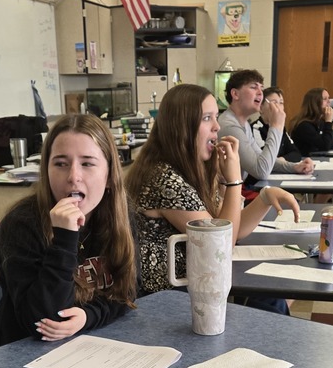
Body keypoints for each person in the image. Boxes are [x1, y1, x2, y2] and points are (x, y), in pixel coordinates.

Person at [127, 83, 299, 313]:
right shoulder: (163, 178)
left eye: (215, 117)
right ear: (182, 128)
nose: (217, 127)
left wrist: (264, 199)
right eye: (207, 118)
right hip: (166, 300)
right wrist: (234, 179)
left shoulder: (186, 169)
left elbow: (230, 228)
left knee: (271, 295)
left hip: (192, 287)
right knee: (269, 300)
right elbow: (221, 244)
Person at [0, 114, 137, 350]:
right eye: (61, 164)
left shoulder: (120, 216)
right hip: (23, 354)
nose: (73, 177)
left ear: (108, 175)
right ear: (46, 171)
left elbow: (128, 292)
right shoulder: (21, 224)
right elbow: (44, 321)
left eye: (87, 163)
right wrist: (65, 239)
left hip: (87, 346)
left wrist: (88, 317)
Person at [217, 69, 314, 181]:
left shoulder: (244, 124)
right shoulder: (230, 126)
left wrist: (295, 167)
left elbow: (261, 158)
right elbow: (261, 171)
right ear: (235, 94)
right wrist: (276, 126)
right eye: (254, 87)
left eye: (261, 88)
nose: (260, 93)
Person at [292, 87, 333, 155]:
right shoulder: (304, 125)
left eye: (328, 98)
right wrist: (328, 121)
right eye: (325, 99)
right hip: (306, 161)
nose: (329, 102)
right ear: (315, 103)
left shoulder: (320, 122)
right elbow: (325, 146)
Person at [257, 87, 303, 162]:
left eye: (281, 103)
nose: (278, 107)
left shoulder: (281, 128)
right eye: (274, 103)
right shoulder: (256, 128)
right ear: (261, 108)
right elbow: (266, 159)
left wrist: (281, 160)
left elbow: (296, 154)